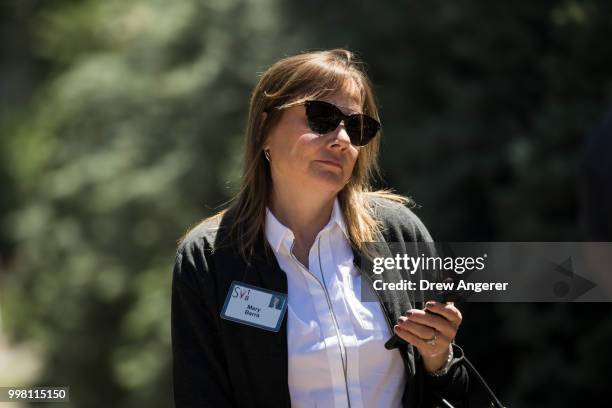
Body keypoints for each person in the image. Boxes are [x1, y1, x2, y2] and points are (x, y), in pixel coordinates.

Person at [171, 49, 469, 407]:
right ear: (265, 129)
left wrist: (439, 360)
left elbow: (452, 389)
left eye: (357, 127)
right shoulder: (207, 258)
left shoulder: (399, 234)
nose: (342, 139)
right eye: (321, 116)